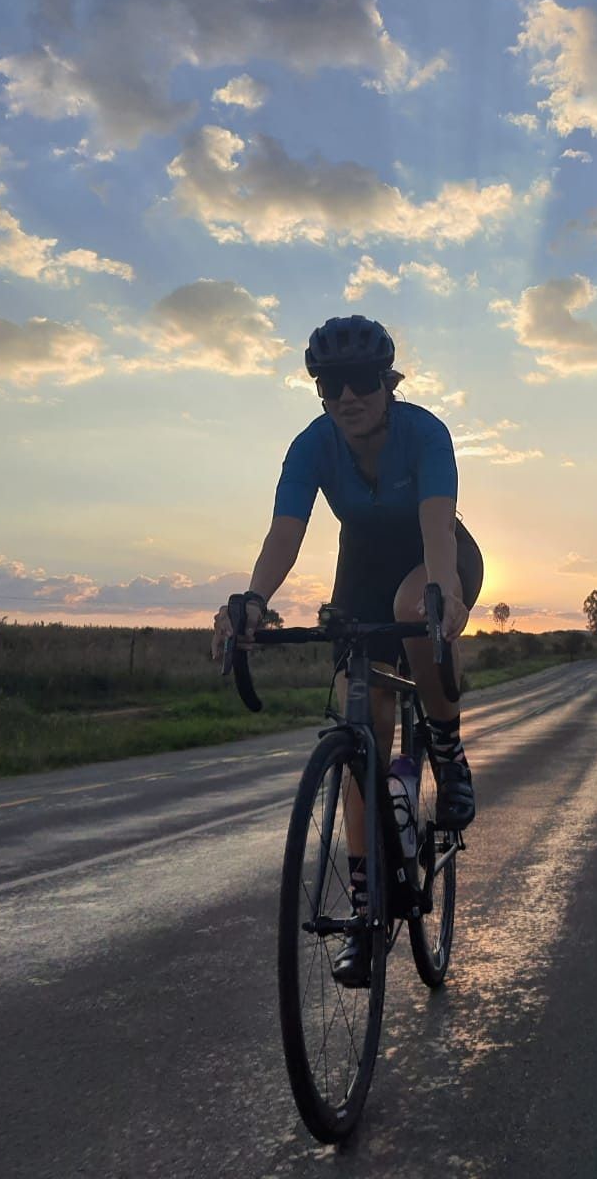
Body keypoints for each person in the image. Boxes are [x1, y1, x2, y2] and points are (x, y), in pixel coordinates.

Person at [213, 314, 483, 985]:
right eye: (331, 386)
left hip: (436, 555)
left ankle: (446, 749)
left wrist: (443, 590)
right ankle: (366, 911)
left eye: (361, 382)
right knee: (362, 724)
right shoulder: (312, 446)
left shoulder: (425, 433)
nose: (347, 398)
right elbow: (285, 532)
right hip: (360, 564)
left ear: (386, 382)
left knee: (410, 610)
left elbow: (435, 527)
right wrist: (251, 598)